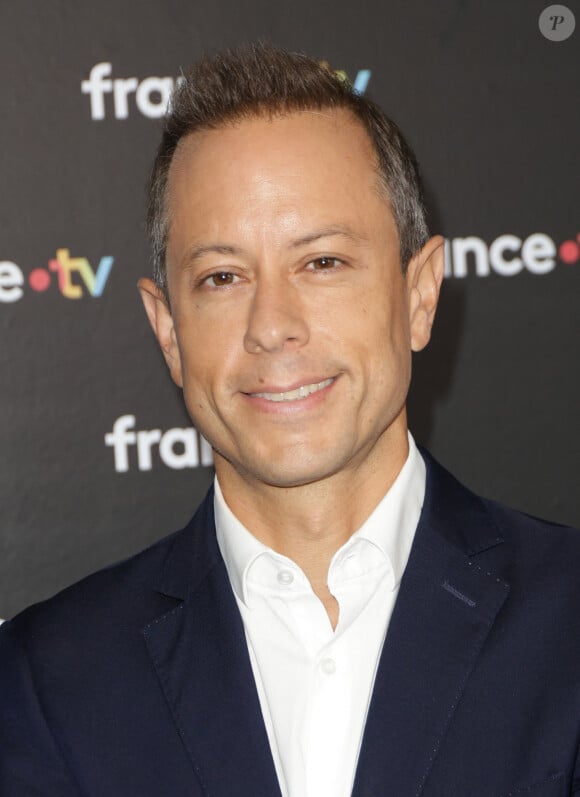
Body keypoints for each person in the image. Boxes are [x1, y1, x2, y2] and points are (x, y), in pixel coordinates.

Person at [1, 43, 579, 797]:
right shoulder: (46, 682)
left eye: (323, 262)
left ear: (420, 295)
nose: (272, 325)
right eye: (222, 277)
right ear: (169, 331)